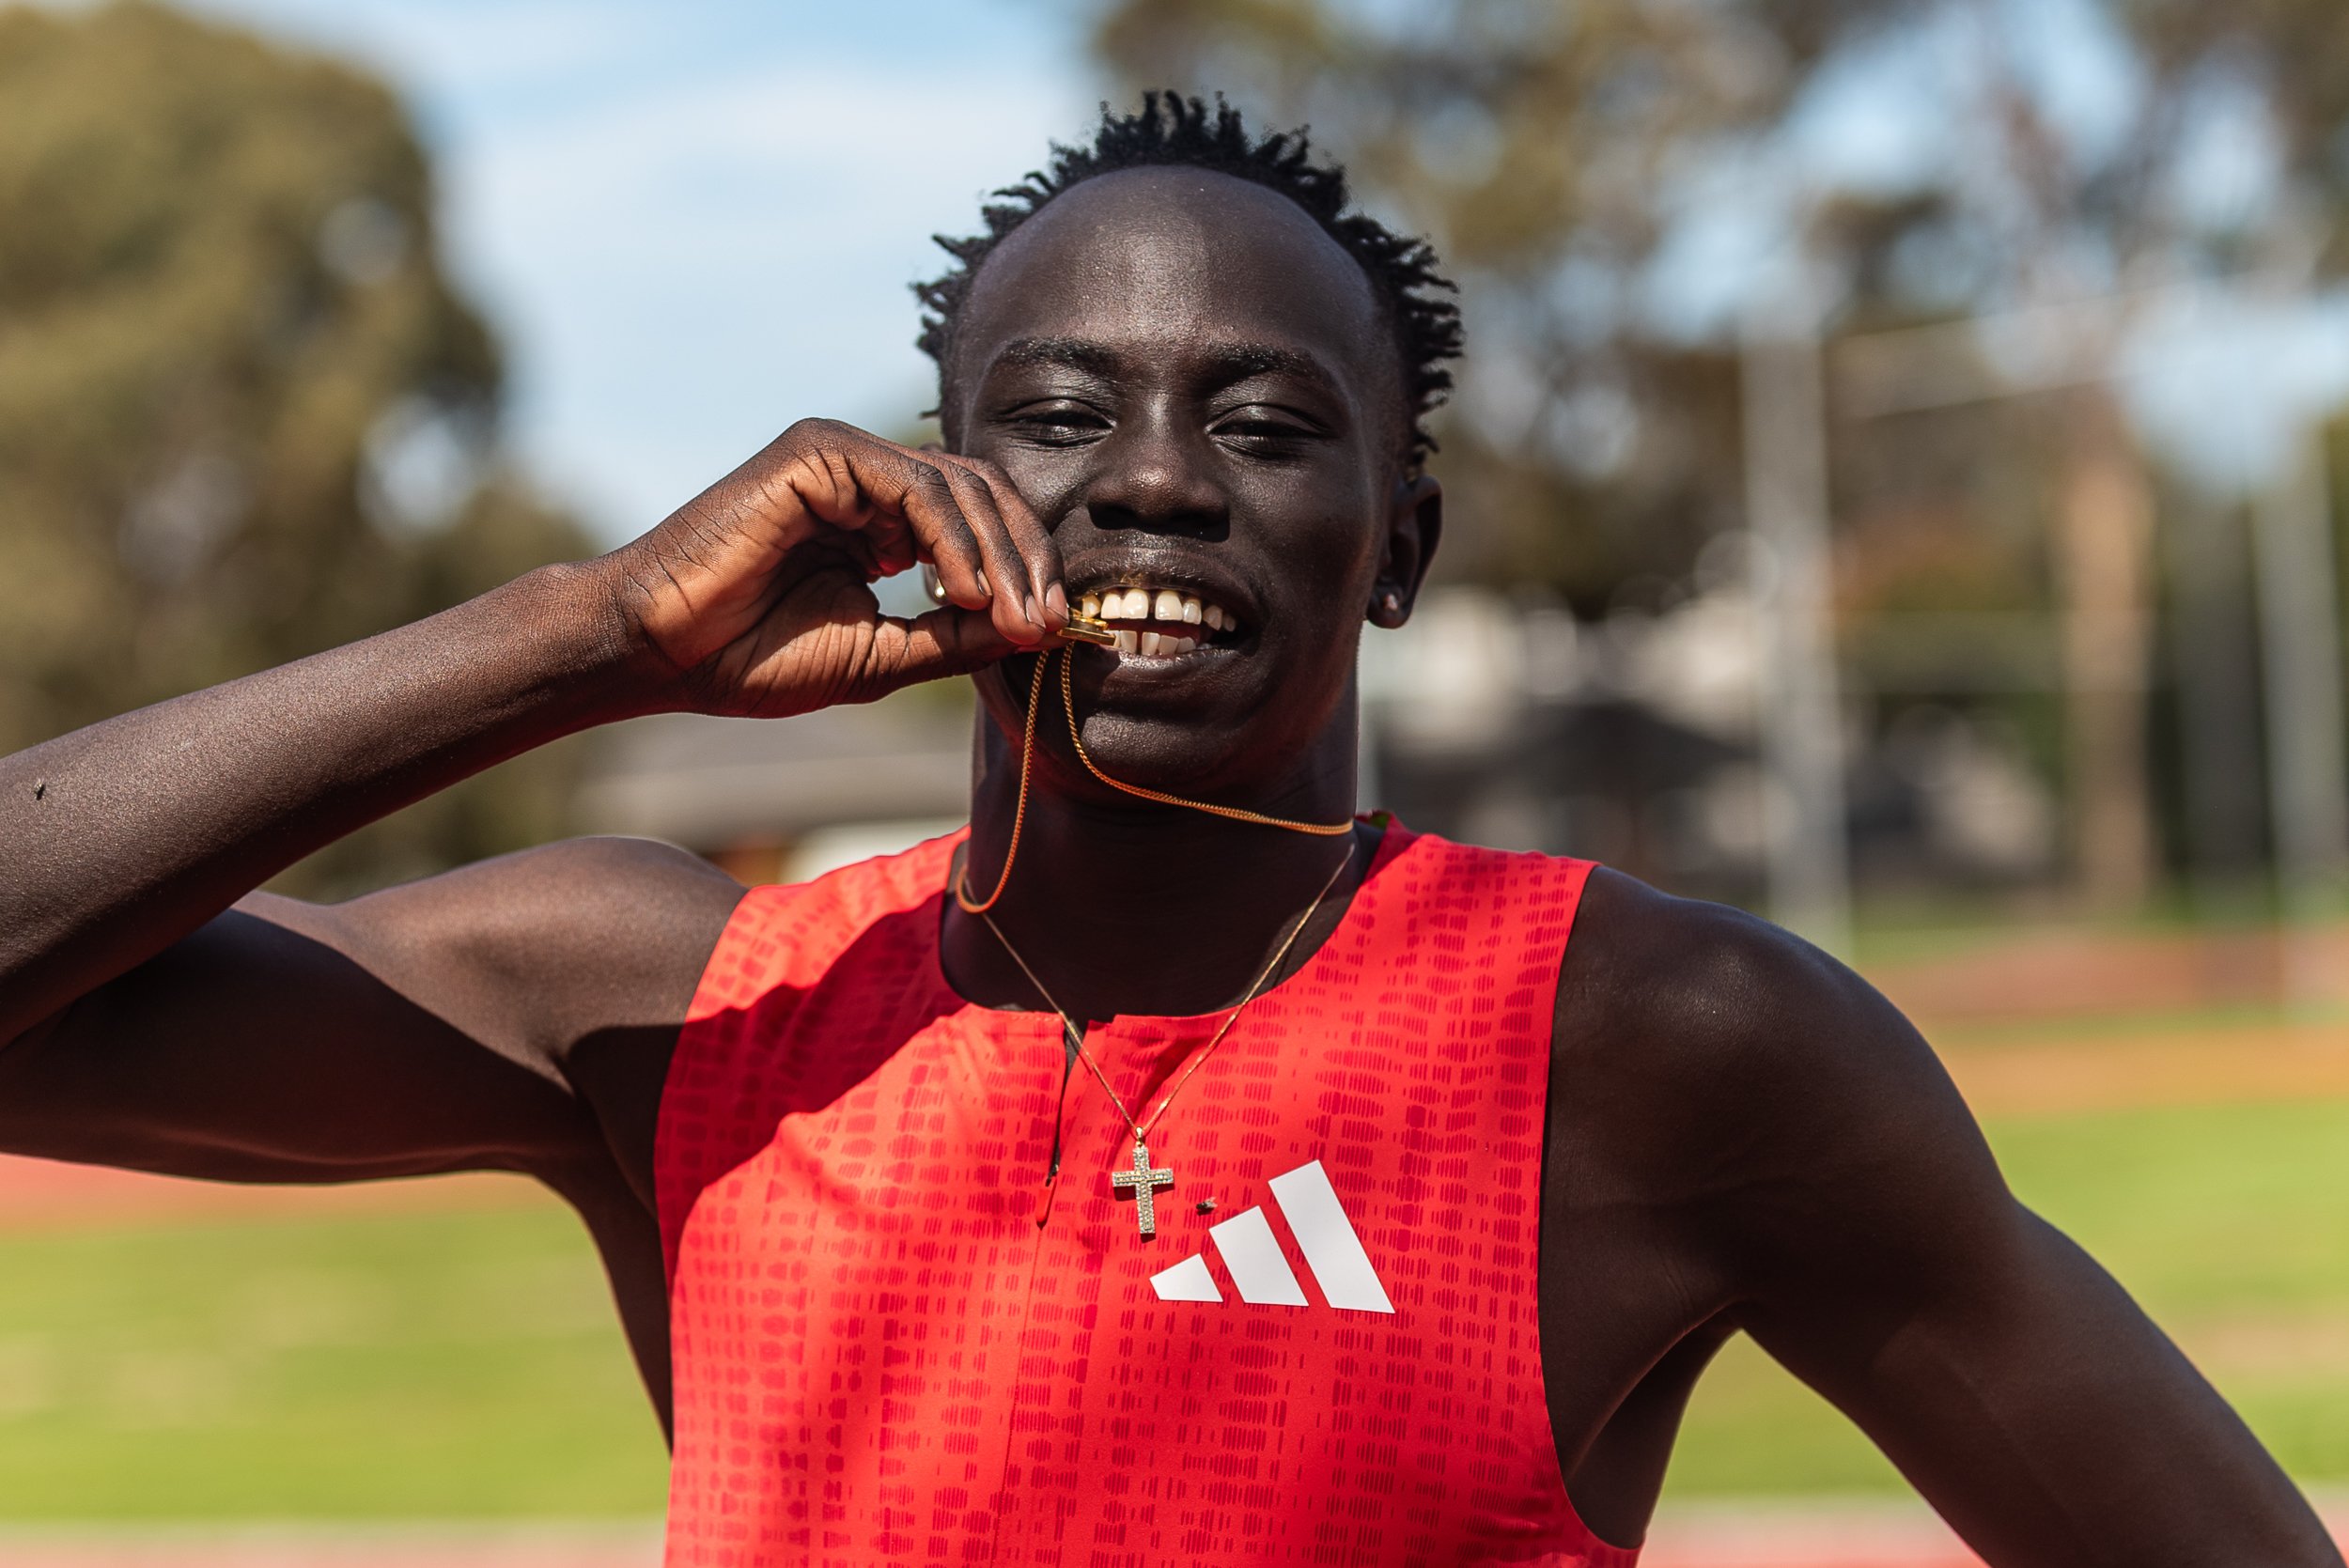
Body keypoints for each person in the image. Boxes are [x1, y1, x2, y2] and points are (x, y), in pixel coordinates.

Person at [0, 93, 2333, 1568]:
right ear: (907, 498)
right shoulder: (671, 997)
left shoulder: (1662, 1038)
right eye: (1053, 411)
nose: (1146, 478)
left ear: (1393, 547)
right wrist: (592, 632)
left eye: (1260, 418)